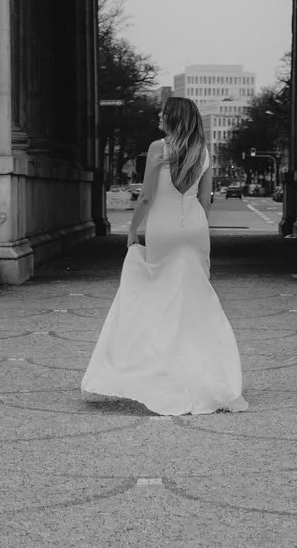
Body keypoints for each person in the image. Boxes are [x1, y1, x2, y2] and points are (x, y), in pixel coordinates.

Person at [81, 95, 246, 416]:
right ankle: (208, 372)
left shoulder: (159, 148)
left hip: (163, 228)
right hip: (195, 227)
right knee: (195, 300)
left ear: (173, 118)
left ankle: (160, 371)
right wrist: (197, 228)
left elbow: (146, 196)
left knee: (160, 297)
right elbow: (205, 200)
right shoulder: (203, 152)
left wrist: (133, 230)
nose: (158, 117)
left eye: (163, 113)